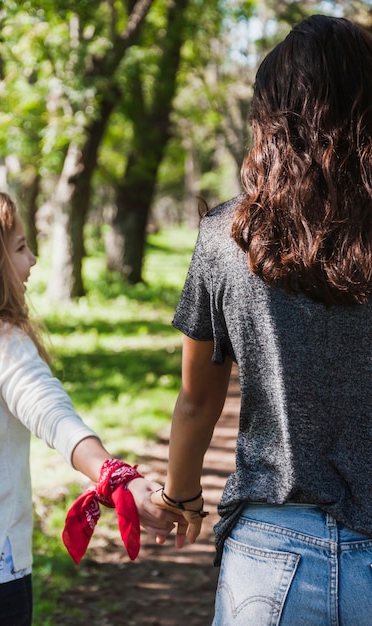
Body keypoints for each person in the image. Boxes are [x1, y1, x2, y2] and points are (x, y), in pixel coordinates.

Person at [152, 14, 372, 625]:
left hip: (269, 553)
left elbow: (198, 401)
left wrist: (182, 496)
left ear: (270, 116)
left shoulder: (227, 238)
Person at [0, 191, 180, 626]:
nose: (34, 259)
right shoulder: (0, 342)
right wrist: (117, 477)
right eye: (20, 247)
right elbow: (54, 417)